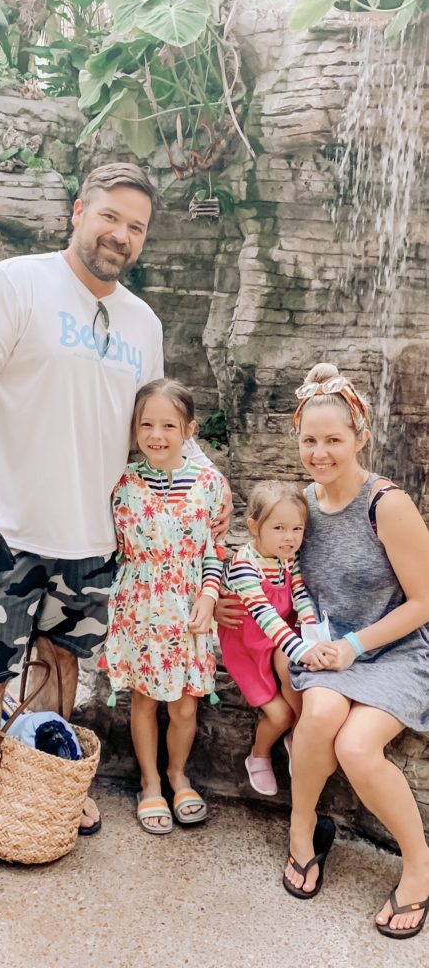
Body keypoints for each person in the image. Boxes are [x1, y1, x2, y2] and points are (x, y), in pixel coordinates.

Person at [0, 163, 232, 908]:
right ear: (78, 211)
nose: (121, 235)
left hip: (95, 540)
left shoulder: (142, 322)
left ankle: (47, 776)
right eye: (110, 217)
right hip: (5, 533)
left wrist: (210, 482)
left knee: (62, 664)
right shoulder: (17, 285)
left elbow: (158, 427)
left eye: (136, 227)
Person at [218, 362, 429, 938]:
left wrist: (354, 646)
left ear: (360, 437)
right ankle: (302, 827)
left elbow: (424, 601)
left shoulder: (386, 505)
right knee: (320, 718)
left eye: (334, 439)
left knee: (359, 748)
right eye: (310, 440)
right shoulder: (301, 507)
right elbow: (259, 569)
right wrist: (222, 606)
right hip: (320, 646)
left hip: (392, 647)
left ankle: (419, 868)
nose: (320, 451)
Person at [104, 379, 224, 834]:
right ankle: (150, 782)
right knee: (144, 697)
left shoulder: (211, 485)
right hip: (139, 607)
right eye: (146, 424)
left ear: (188, 429)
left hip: (190, 608)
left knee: (185, 707)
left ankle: (178, 773)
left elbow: (213, 548)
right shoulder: (123, 483)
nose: (157, 434)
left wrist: (210, 596)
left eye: (169, 424)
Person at [218, 481, 334, 797]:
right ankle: (259, 753)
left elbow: (299, 592)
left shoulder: (287, 556)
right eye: (279, 527)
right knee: (279, 713)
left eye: (297, 528)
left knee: (292, 673)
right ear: (255, 527)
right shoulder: (245, 565)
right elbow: (264, 616)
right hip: (248, 644)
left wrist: (309, 630)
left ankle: (299, 737)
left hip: (281, 635)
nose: (289, 537)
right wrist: (303, 649)